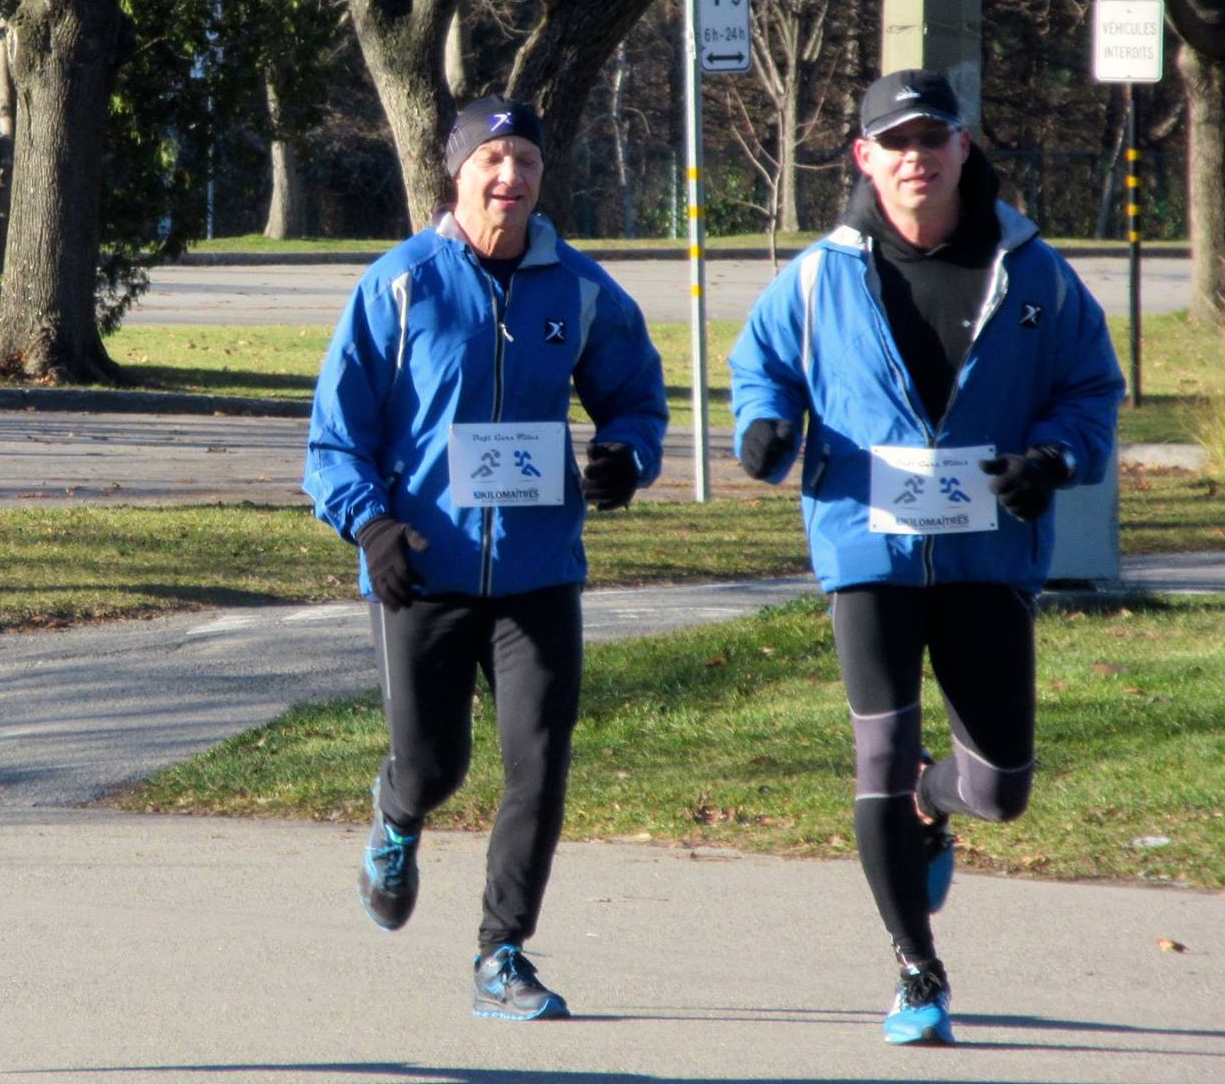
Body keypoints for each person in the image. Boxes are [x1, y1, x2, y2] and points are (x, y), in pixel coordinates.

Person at [729, 69, 1123, 1047]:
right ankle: (915, 972)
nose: (914, 158)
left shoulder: (1028, 268)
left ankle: (931, 801)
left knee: (999, 787)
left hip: (987, 549)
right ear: (862, 157)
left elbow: (1088, 384)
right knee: (876, 746)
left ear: (960, 148)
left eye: (930, 139)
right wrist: (763, 429)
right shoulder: (821, 273)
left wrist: (1052, 458)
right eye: (893, 143)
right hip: (865, 544)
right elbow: (760, 366)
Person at [304, 96, 667, 1021]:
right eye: (493, 160)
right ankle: (395, 814)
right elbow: (334, 441)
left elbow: (635, 398)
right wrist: (371, 526)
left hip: (541, 571)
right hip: (422, 569)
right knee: (433, 767)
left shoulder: (579, 289)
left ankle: (501, 954)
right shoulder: (398, 286)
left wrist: (627, 455)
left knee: (537, 764)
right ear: (457, 173)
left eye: (528, 163)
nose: (510, 178)